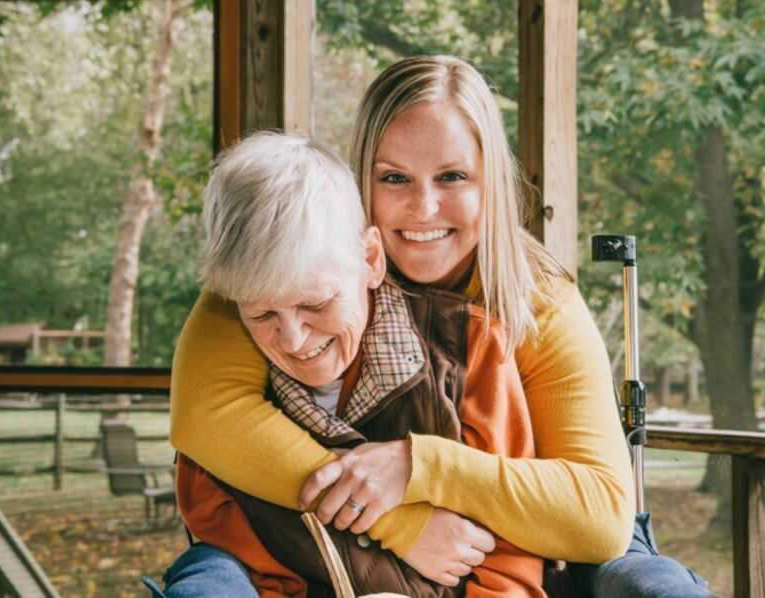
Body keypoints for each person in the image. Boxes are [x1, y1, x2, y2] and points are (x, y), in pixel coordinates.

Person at [160, 55, 710, 597]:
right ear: (362, 181)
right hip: (325, 550)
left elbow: (599, 517)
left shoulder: (537, 302)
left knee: (654, 584)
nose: (423, 208)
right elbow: (207, 414)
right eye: (394, 177)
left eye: (452, 177)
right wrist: (402, 520)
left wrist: (416, 466)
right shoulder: (288, 264)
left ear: (489, 182)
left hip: (531, 546)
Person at [147, 131, 547, 597]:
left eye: (315, 304)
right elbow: (234, 547)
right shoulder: (223, 400)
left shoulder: (471, 349)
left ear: (371, 259)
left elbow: (511, 552)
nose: (293, 339)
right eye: (262, 314)